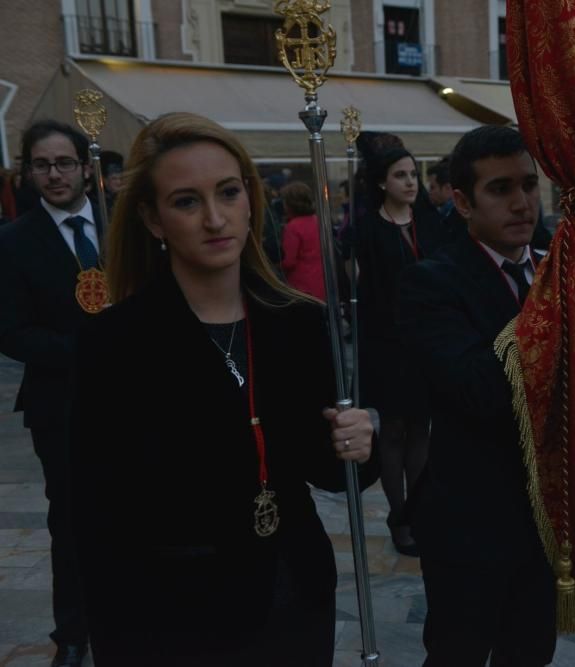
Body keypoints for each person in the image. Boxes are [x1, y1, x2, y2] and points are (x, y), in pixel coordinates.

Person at [69, 112, 376, 665]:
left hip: (295, 594)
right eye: (187, 201)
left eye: (228, 192)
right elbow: (96, 519)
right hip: (179, 615)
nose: (215, 218)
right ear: (153, 218)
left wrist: (359, 437)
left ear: (250, 199)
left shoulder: (298, 322)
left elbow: (328, 470)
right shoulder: (113, 343)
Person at [397, 126, 556, 666]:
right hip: (471, 516)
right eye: (501, 188)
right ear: (463, 202)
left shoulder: (553, 268)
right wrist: (551, 310)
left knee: (531, 650)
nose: (521, 203)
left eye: (530, 185)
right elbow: (476, 388)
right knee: (459, 652)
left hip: (547, 514)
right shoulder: (432, 281)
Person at [0, 120, 106, 667]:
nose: (54, 174)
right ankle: (72, 631)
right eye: (42, 165)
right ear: (29, 171)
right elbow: (11, 330)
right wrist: (78, 351)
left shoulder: (122, 225)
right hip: (59, 403)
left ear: (85, 166)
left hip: (131, 398)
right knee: (70, 518)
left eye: (64, 162)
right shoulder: (14, 240)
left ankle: (134, 612)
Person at [355, 146, 447, 557]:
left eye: (413, 174)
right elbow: (363, 294)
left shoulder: (432, 223)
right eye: (400, 175)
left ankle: (422, 510)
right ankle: (399, 516)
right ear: (381, 182)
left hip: (426, 343)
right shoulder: (367, 230)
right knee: (393, 432)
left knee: (422, 432)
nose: (410, 182)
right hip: (387, 346)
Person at [279, 181, 325, 300]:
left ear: (290, 204)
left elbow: (289, 261)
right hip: (320, 282)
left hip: (300, 286)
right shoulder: (318, 221)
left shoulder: (293, 227)